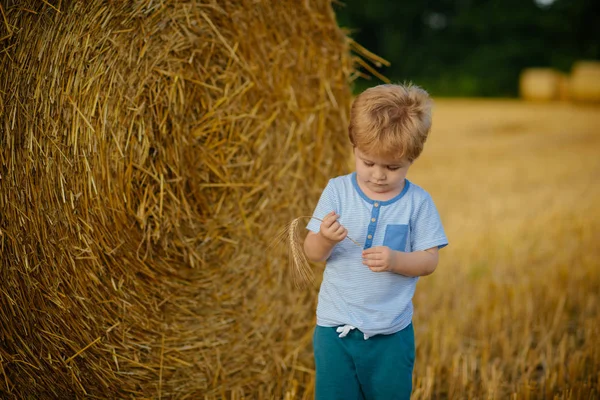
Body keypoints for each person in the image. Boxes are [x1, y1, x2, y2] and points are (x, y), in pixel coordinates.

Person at [303, 83, 448, 400]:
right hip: (334, 329)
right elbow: (311, 252)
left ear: (413, 157)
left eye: (392, 167)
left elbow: (429, 260)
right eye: (368, 162)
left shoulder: (418, 203)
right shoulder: (337, 191)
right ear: (354, 147)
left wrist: (397, 260)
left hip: (390, 334)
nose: (378, 175)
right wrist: (325, 239)